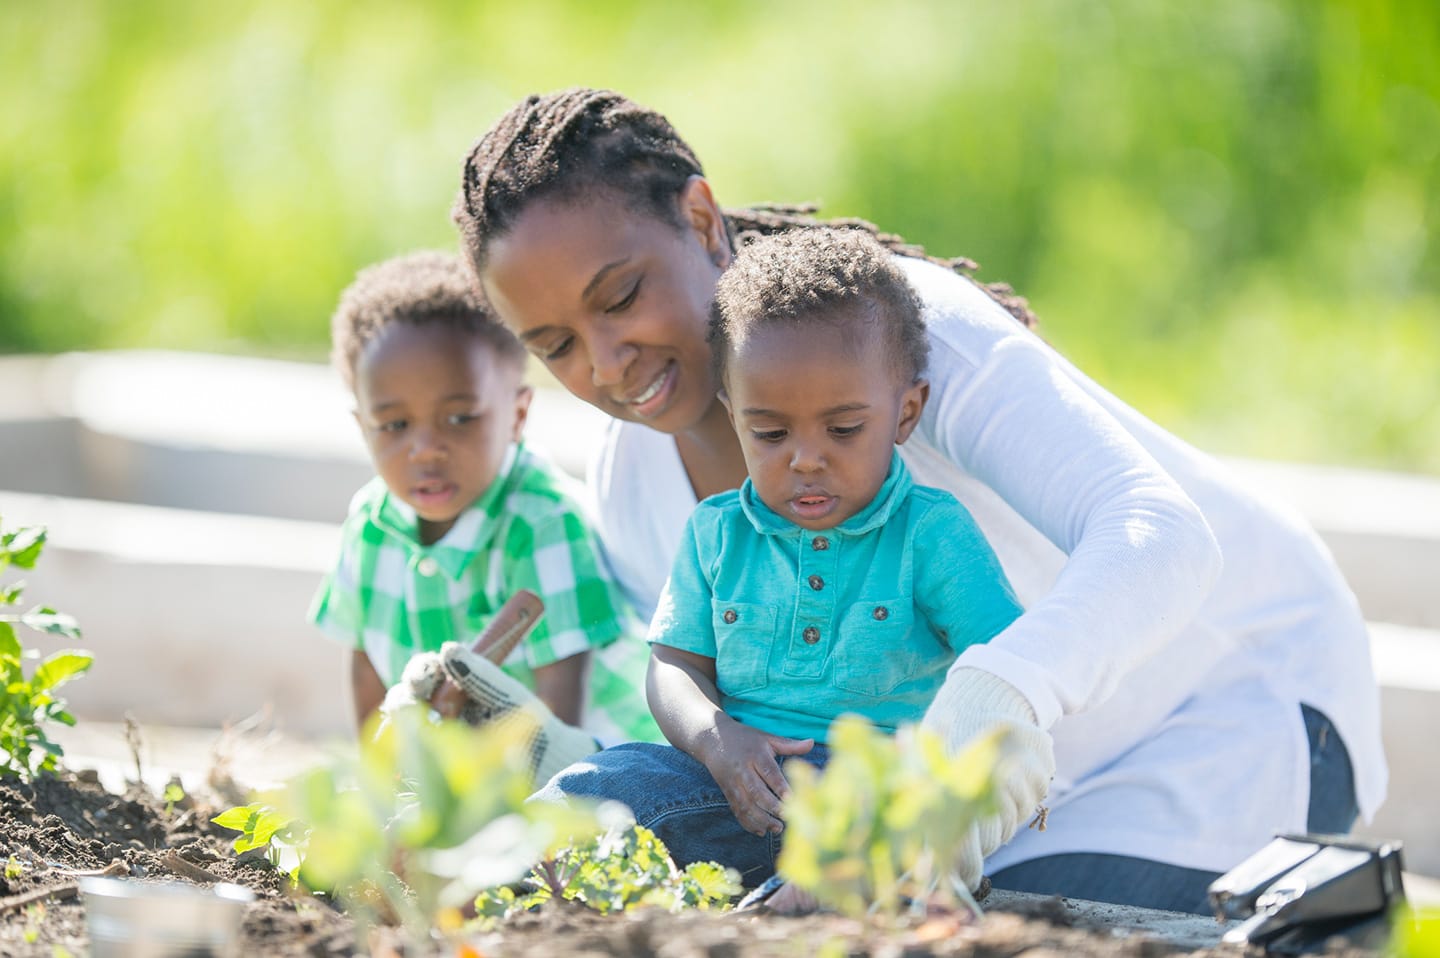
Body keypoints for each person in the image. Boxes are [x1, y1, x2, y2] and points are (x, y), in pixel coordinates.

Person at [451, 88, 1385, 914]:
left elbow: (1163, 533)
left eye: (619, 298)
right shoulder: (637, 478)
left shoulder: (901, 333)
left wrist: (999, 693)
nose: (607, 366)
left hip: (1229, 719)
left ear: (700, 219)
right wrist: (544, 751)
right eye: (557, 345)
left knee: (948, 926)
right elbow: (742, 720)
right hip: (961, 800)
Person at [552, 227, 1027, 887]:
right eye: (769, 432)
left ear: (905, 412)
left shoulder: (930, 533)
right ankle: (504, 864)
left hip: (875, 798)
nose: (805, 459)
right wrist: (715, 738)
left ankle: (806, 899)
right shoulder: (717, 532)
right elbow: (674, 663)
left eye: (843, 429)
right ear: (735, 414)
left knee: (876, 850)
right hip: (735, 784)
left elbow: (1007, 669)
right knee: (604, 782)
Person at [309, 250, 660, 783]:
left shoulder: (540, 523)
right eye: (394, 425)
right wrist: (379, 788)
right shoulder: (371, 523)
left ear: (517, 414)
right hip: (473, 768)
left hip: (597, 765)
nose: (425, 450)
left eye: (459, 418)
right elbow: (365, 666)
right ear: (363, 426)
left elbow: (561, 699)